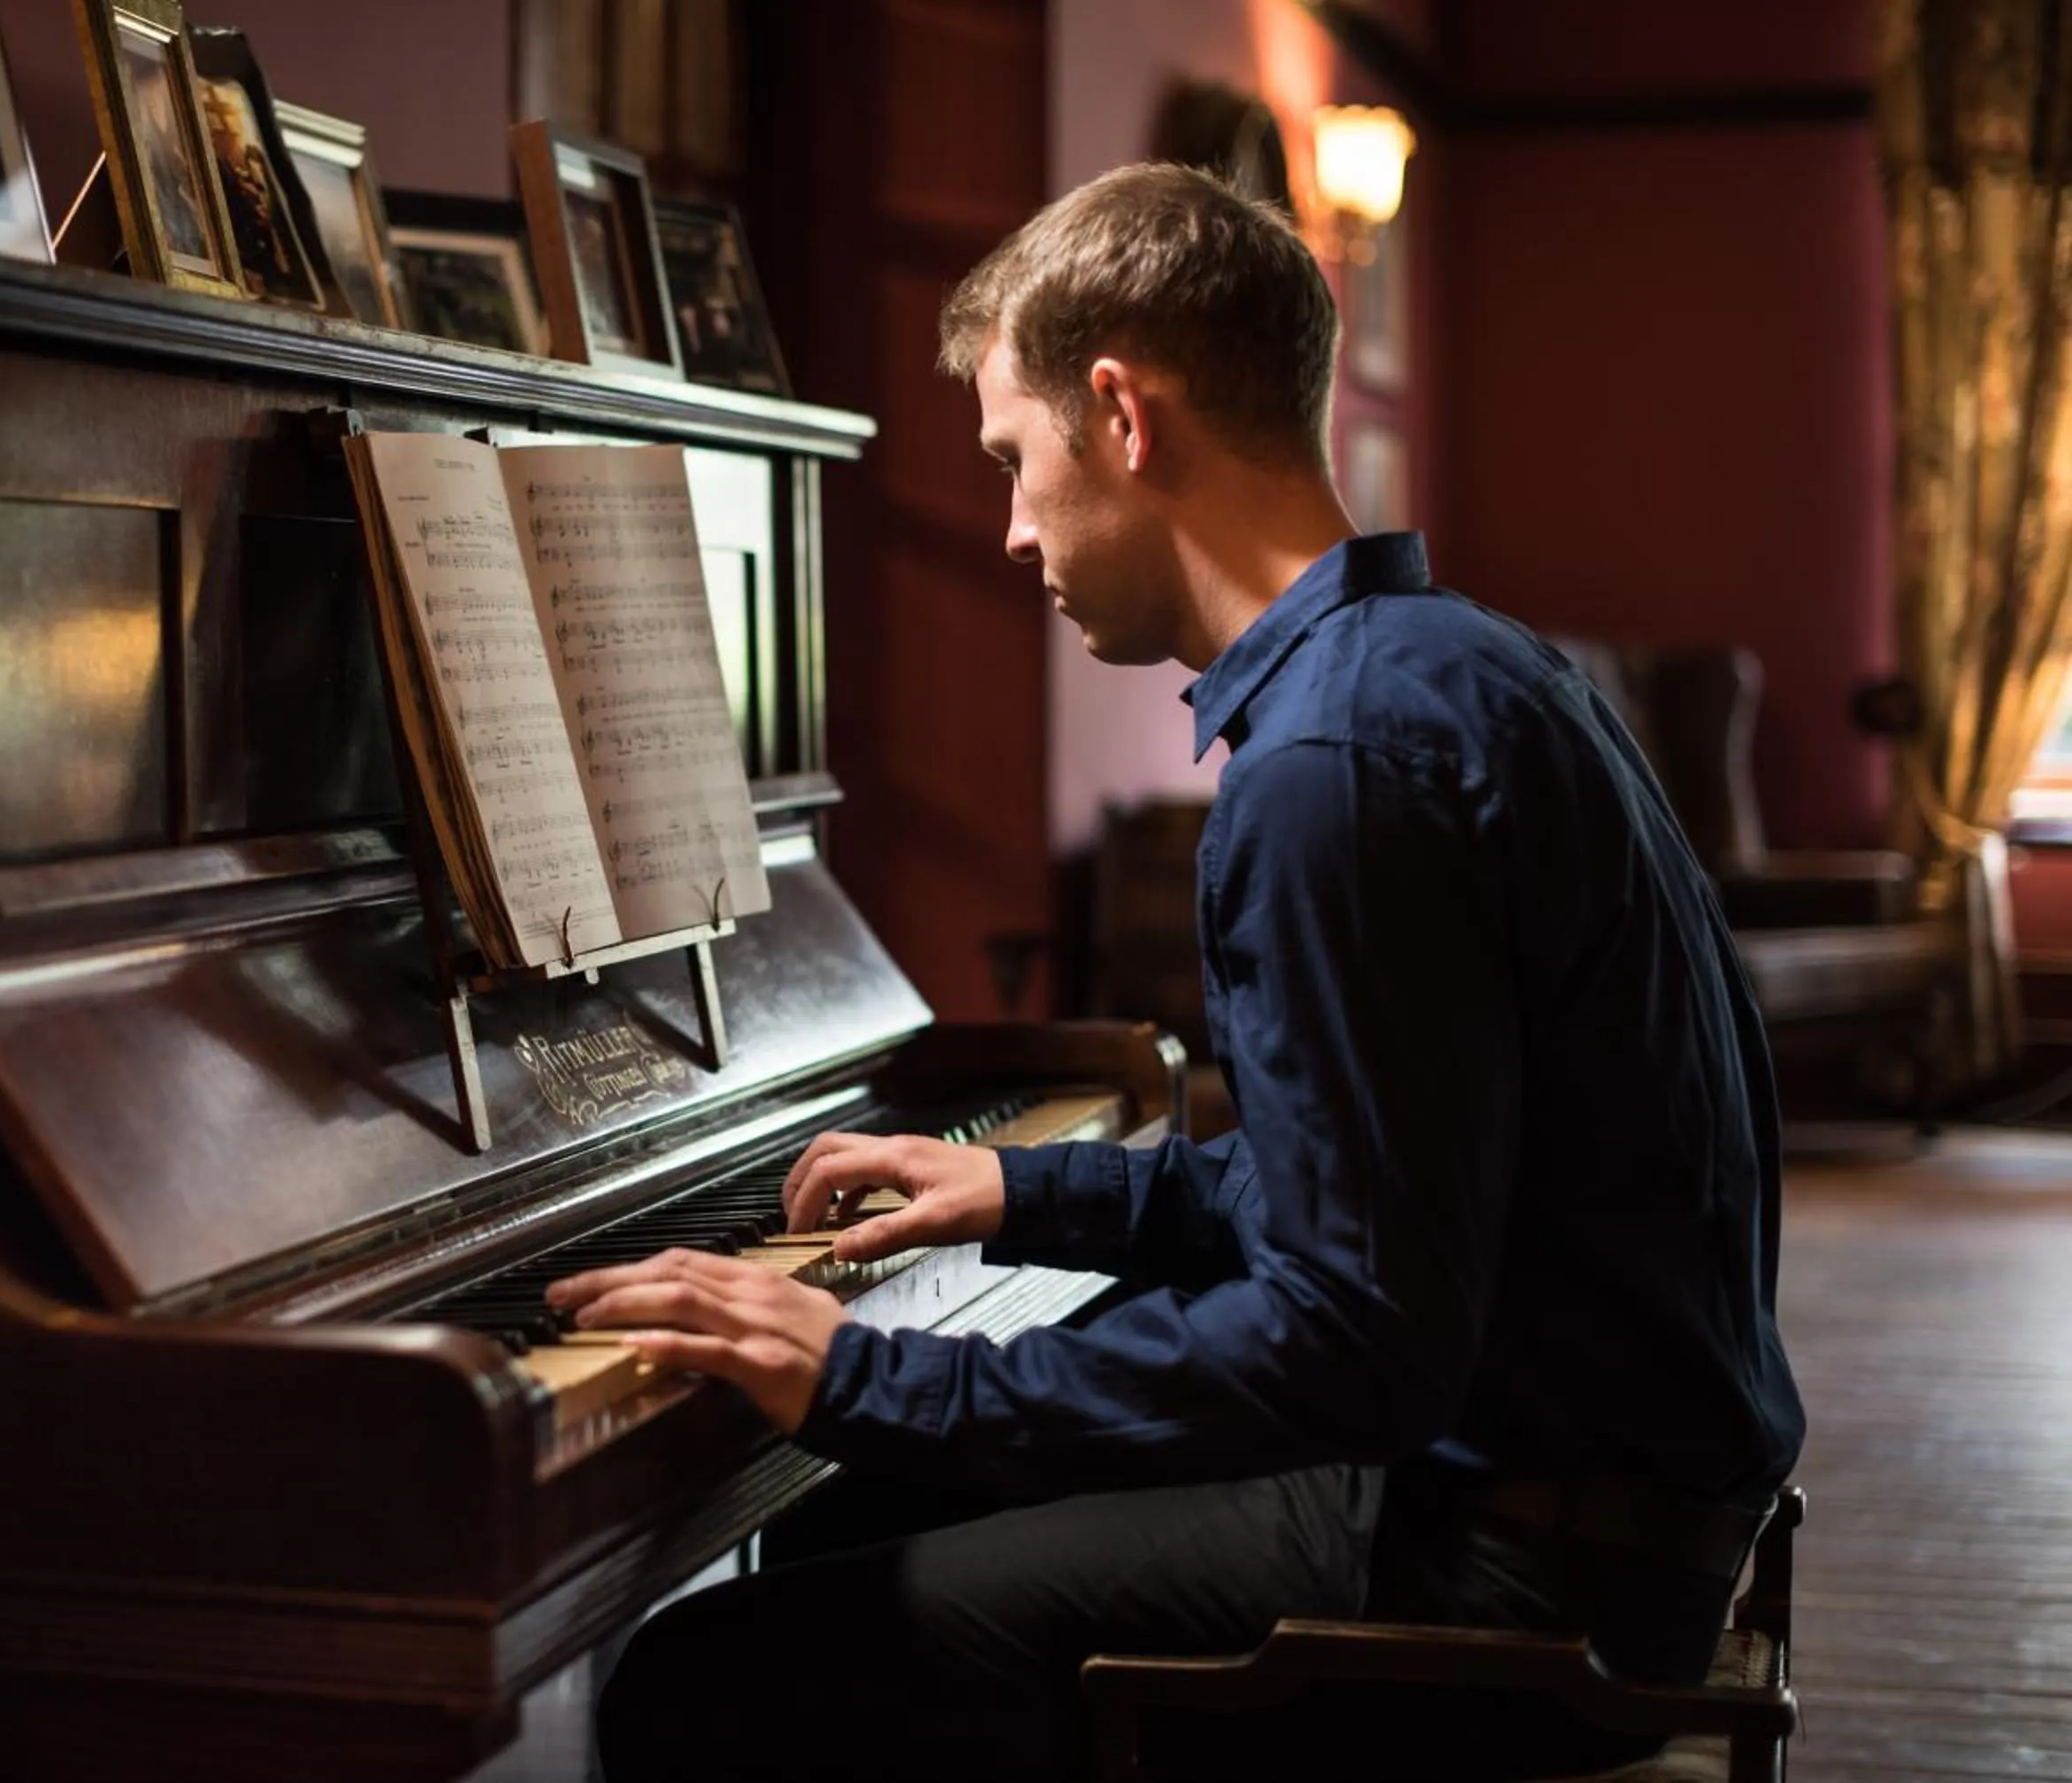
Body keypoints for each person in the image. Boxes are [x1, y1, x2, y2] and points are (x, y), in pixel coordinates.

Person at [549, 161, 1805, 1782]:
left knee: (699, 1677)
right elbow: (1378, 1195)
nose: (1012, 527)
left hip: (1518, 1572)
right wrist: (1027, 1192)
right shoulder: (1452, 669)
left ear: (1123, 417)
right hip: (1605, 1513)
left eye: (1015, 458)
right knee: (866, 1506)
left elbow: (1352, 1336)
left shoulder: (1333, 766)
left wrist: (881, 1374)